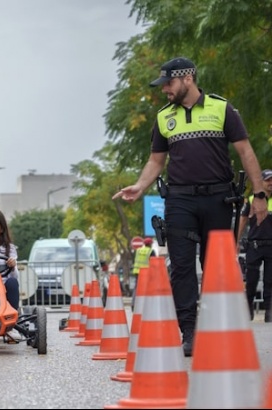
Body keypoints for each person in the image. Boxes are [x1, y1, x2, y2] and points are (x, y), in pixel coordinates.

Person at [112, 57, 267, 357]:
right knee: (182, 267)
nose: (165, 90)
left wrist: (259, 194)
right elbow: (156, 161)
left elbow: (245, 151)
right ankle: (190, 333)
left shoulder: (222, 108)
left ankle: (218, 328)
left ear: (187, 78)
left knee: (216, 267)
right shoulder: (163, 118)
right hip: (180, 200)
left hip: (219, 198)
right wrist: (140, 186)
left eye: (168, 83)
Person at [238, 169, 272, 322]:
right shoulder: (252, 200)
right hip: (255, 246)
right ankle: (249, 306)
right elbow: (243, 221)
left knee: (269, 281)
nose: (270, 183)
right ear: (261, 182)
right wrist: (235, 241)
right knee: (251, 279)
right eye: (267, 180)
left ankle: (269, 311)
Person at [131, 237, 156, 310]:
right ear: (150, 244)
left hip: (137, 271)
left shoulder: (138, 250)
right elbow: (154, 263)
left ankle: (134, 304)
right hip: (147, 272)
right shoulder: (151, 251)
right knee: (148, 288)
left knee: (137, 288)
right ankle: (147, 305)